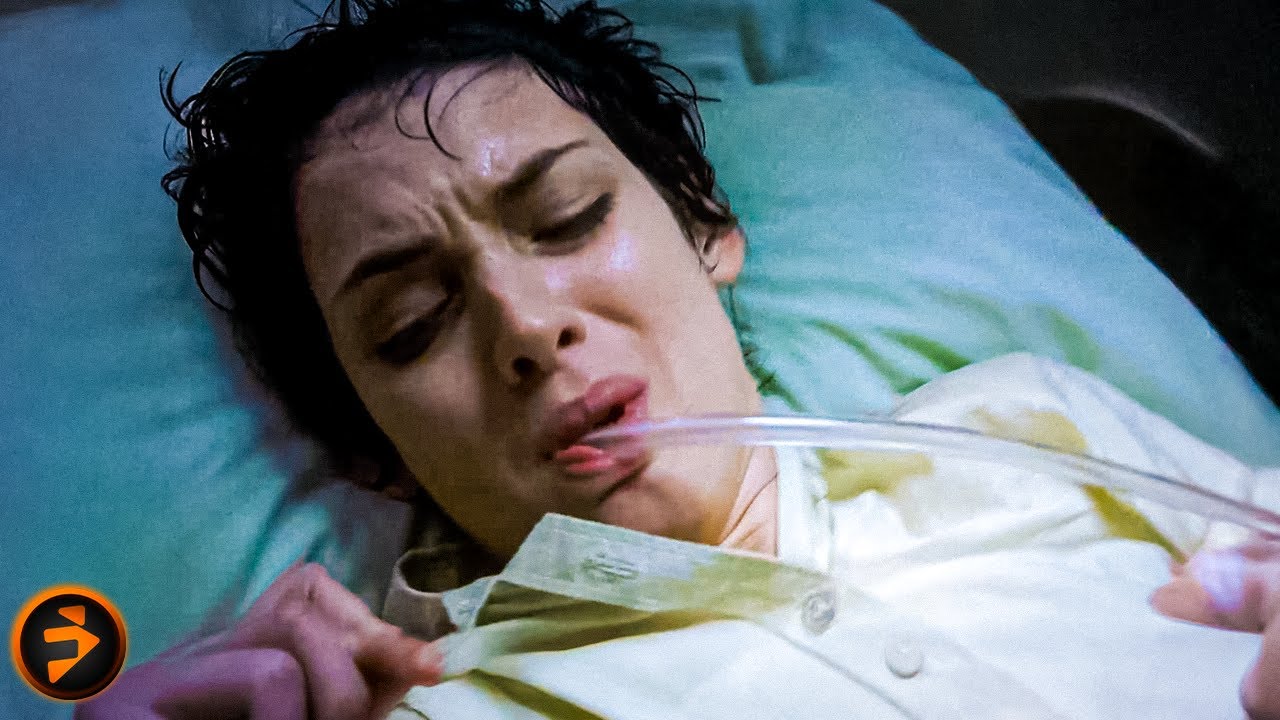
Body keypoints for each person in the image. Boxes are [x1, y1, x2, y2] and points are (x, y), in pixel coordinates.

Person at [76, 0, 1280, 718]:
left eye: (564, 219)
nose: (525, 325)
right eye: (413, 323)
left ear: (705, 227)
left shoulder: (1027, 424)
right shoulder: (442, 707)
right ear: (370, 452)